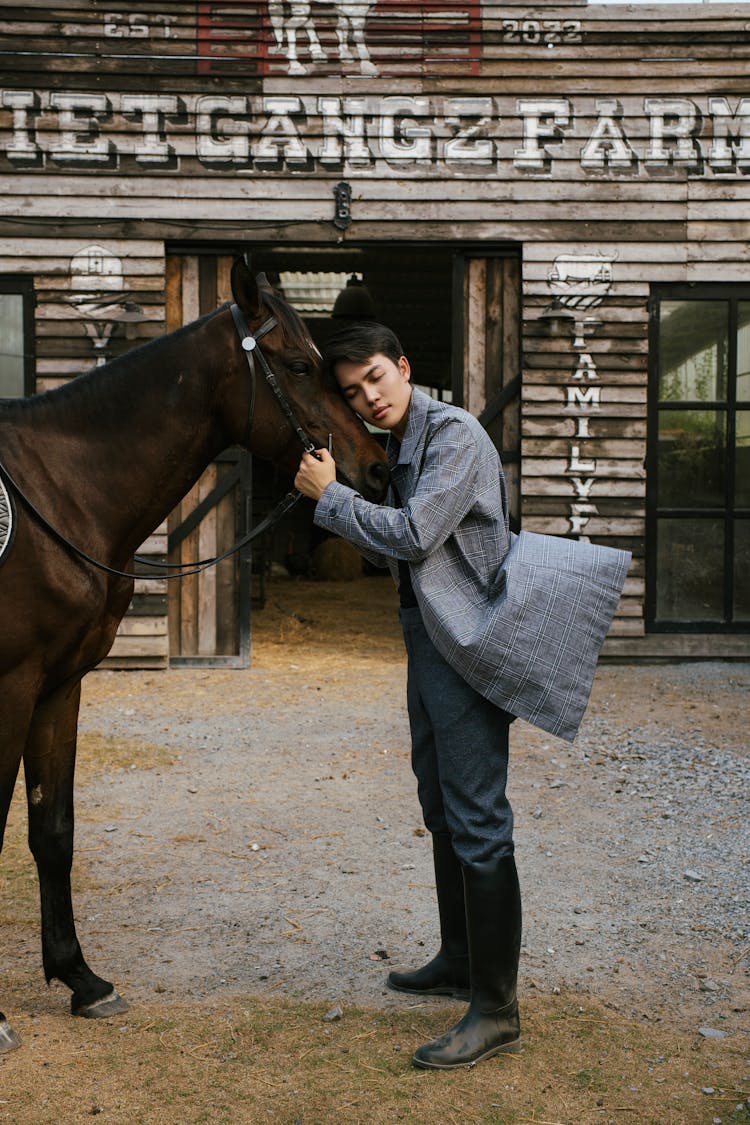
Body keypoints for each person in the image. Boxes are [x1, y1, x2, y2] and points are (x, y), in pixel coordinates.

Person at [294, 322, 630, 1071]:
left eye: (375, 377)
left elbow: (414, 536)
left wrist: (330, 498)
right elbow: (407, 551)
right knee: (441, 805)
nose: (368, 397)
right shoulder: (402, 440)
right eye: (352, 391)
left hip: (472, 642)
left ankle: (497, 1010)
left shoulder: (453, 436)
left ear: (404, 366)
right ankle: (456, 959)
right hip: (428, 638)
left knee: (478, 817)